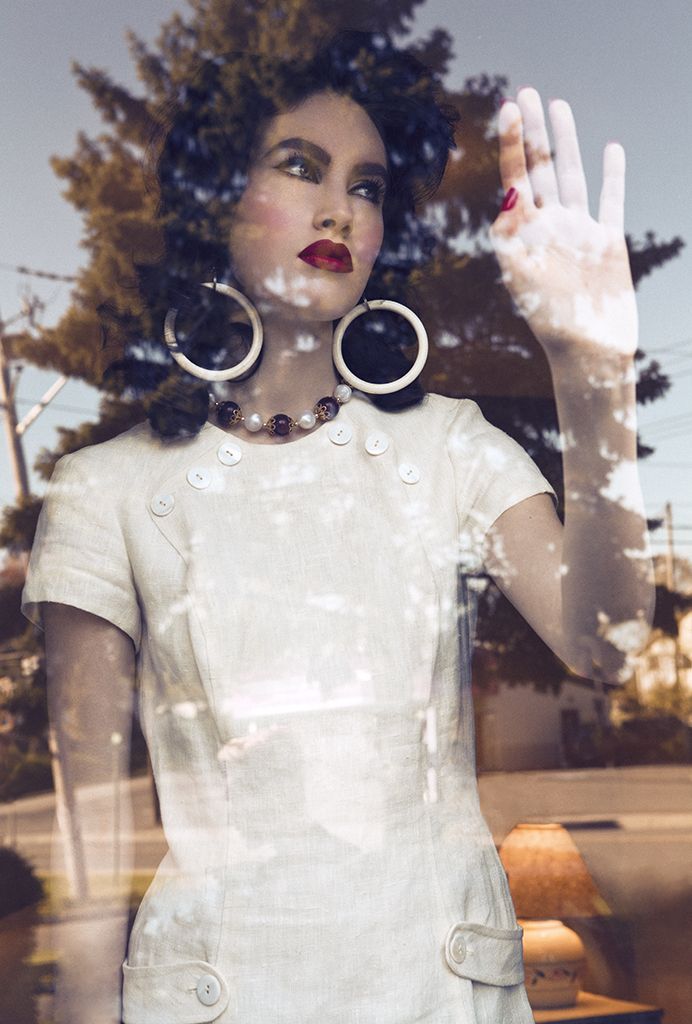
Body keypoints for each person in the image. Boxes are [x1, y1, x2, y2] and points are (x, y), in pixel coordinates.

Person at [22, 31, 653, 1024]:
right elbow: (88, 839)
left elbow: (606, 644)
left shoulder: (448, 446)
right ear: (210, 203)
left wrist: (590, 368)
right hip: (217, 996)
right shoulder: (103, 489)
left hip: (437, 990)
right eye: (299, 166)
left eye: (365, 186)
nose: (339, 209)